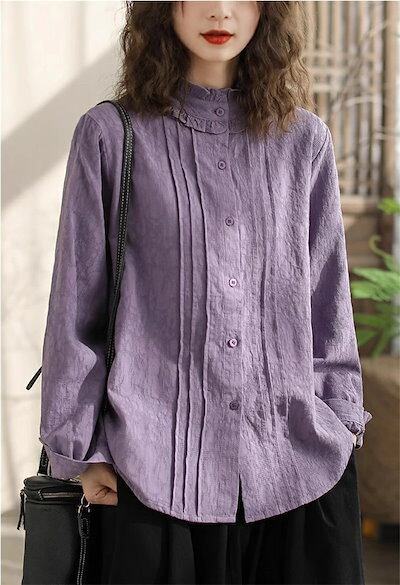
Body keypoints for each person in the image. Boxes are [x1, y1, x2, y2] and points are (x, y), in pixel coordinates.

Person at [38, 1, 373, 583]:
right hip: (148, 474)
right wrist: (81, 450)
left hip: (298, 471)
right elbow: (75, 305)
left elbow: (327, 302)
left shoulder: (304, 141)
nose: (220, 11)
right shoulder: (112, 135)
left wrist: (340, 421)